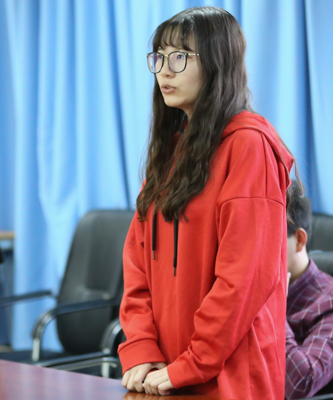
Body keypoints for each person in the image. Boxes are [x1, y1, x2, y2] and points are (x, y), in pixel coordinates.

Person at [118, 6, 298, 400]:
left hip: (227, 379)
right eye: (160, 57)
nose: (164, 71)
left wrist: (193, 362)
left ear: (218, 63)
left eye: (180, 57)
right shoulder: (173, 151)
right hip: (163, 375)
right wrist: (142, 349)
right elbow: (137, 264)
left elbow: (244, 279)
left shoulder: (249, 146)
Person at [284, 185, 333, 399]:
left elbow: (301, 385)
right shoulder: (239, 289)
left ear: (299, 240)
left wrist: (271, 307)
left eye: (267, 240)